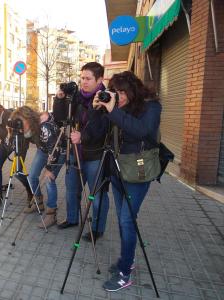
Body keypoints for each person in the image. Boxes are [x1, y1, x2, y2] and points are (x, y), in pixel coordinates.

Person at [93, 71, 161, 292]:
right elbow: (99, 132)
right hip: (117, 171)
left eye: (123, 92)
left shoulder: (151, 107)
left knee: (126, 221)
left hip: (138, 173)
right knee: (124, 220)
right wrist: (99, 109)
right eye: (116, 92)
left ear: (133, 90)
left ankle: (125, 274)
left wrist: (113, 110)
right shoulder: (117, 107)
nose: (119, 96)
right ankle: (127, 259)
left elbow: (141, 130)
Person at [57, 62, 110, 239]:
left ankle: (97, 229)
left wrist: (83, 137)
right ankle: (72, 218)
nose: (84, 82)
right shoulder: (77, 97)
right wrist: (60, 99)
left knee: (96, 195)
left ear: (100, 79)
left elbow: (101, 128)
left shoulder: (105, 98)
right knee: (72, 190)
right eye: (82, 78)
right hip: (76, 152)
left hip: (95, 155)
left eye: (88, 78)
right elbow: (60, 118)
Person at [0, 99, 39, 208]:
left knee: (18, 171)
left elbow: (8, 134)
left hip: (19, 141)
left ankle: (30, 191)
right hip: (6, 143)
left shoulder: (8, 115)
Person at [26, 111, 65, 228]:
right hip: (43, 150)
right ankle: (39, 203)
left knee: (49, 179)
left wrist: (49, 168)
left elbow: (55, 148)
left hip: (58, 152)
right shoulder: (31, 125)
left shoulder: (45, 127)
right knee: (32, 176)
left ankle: (51, 214)